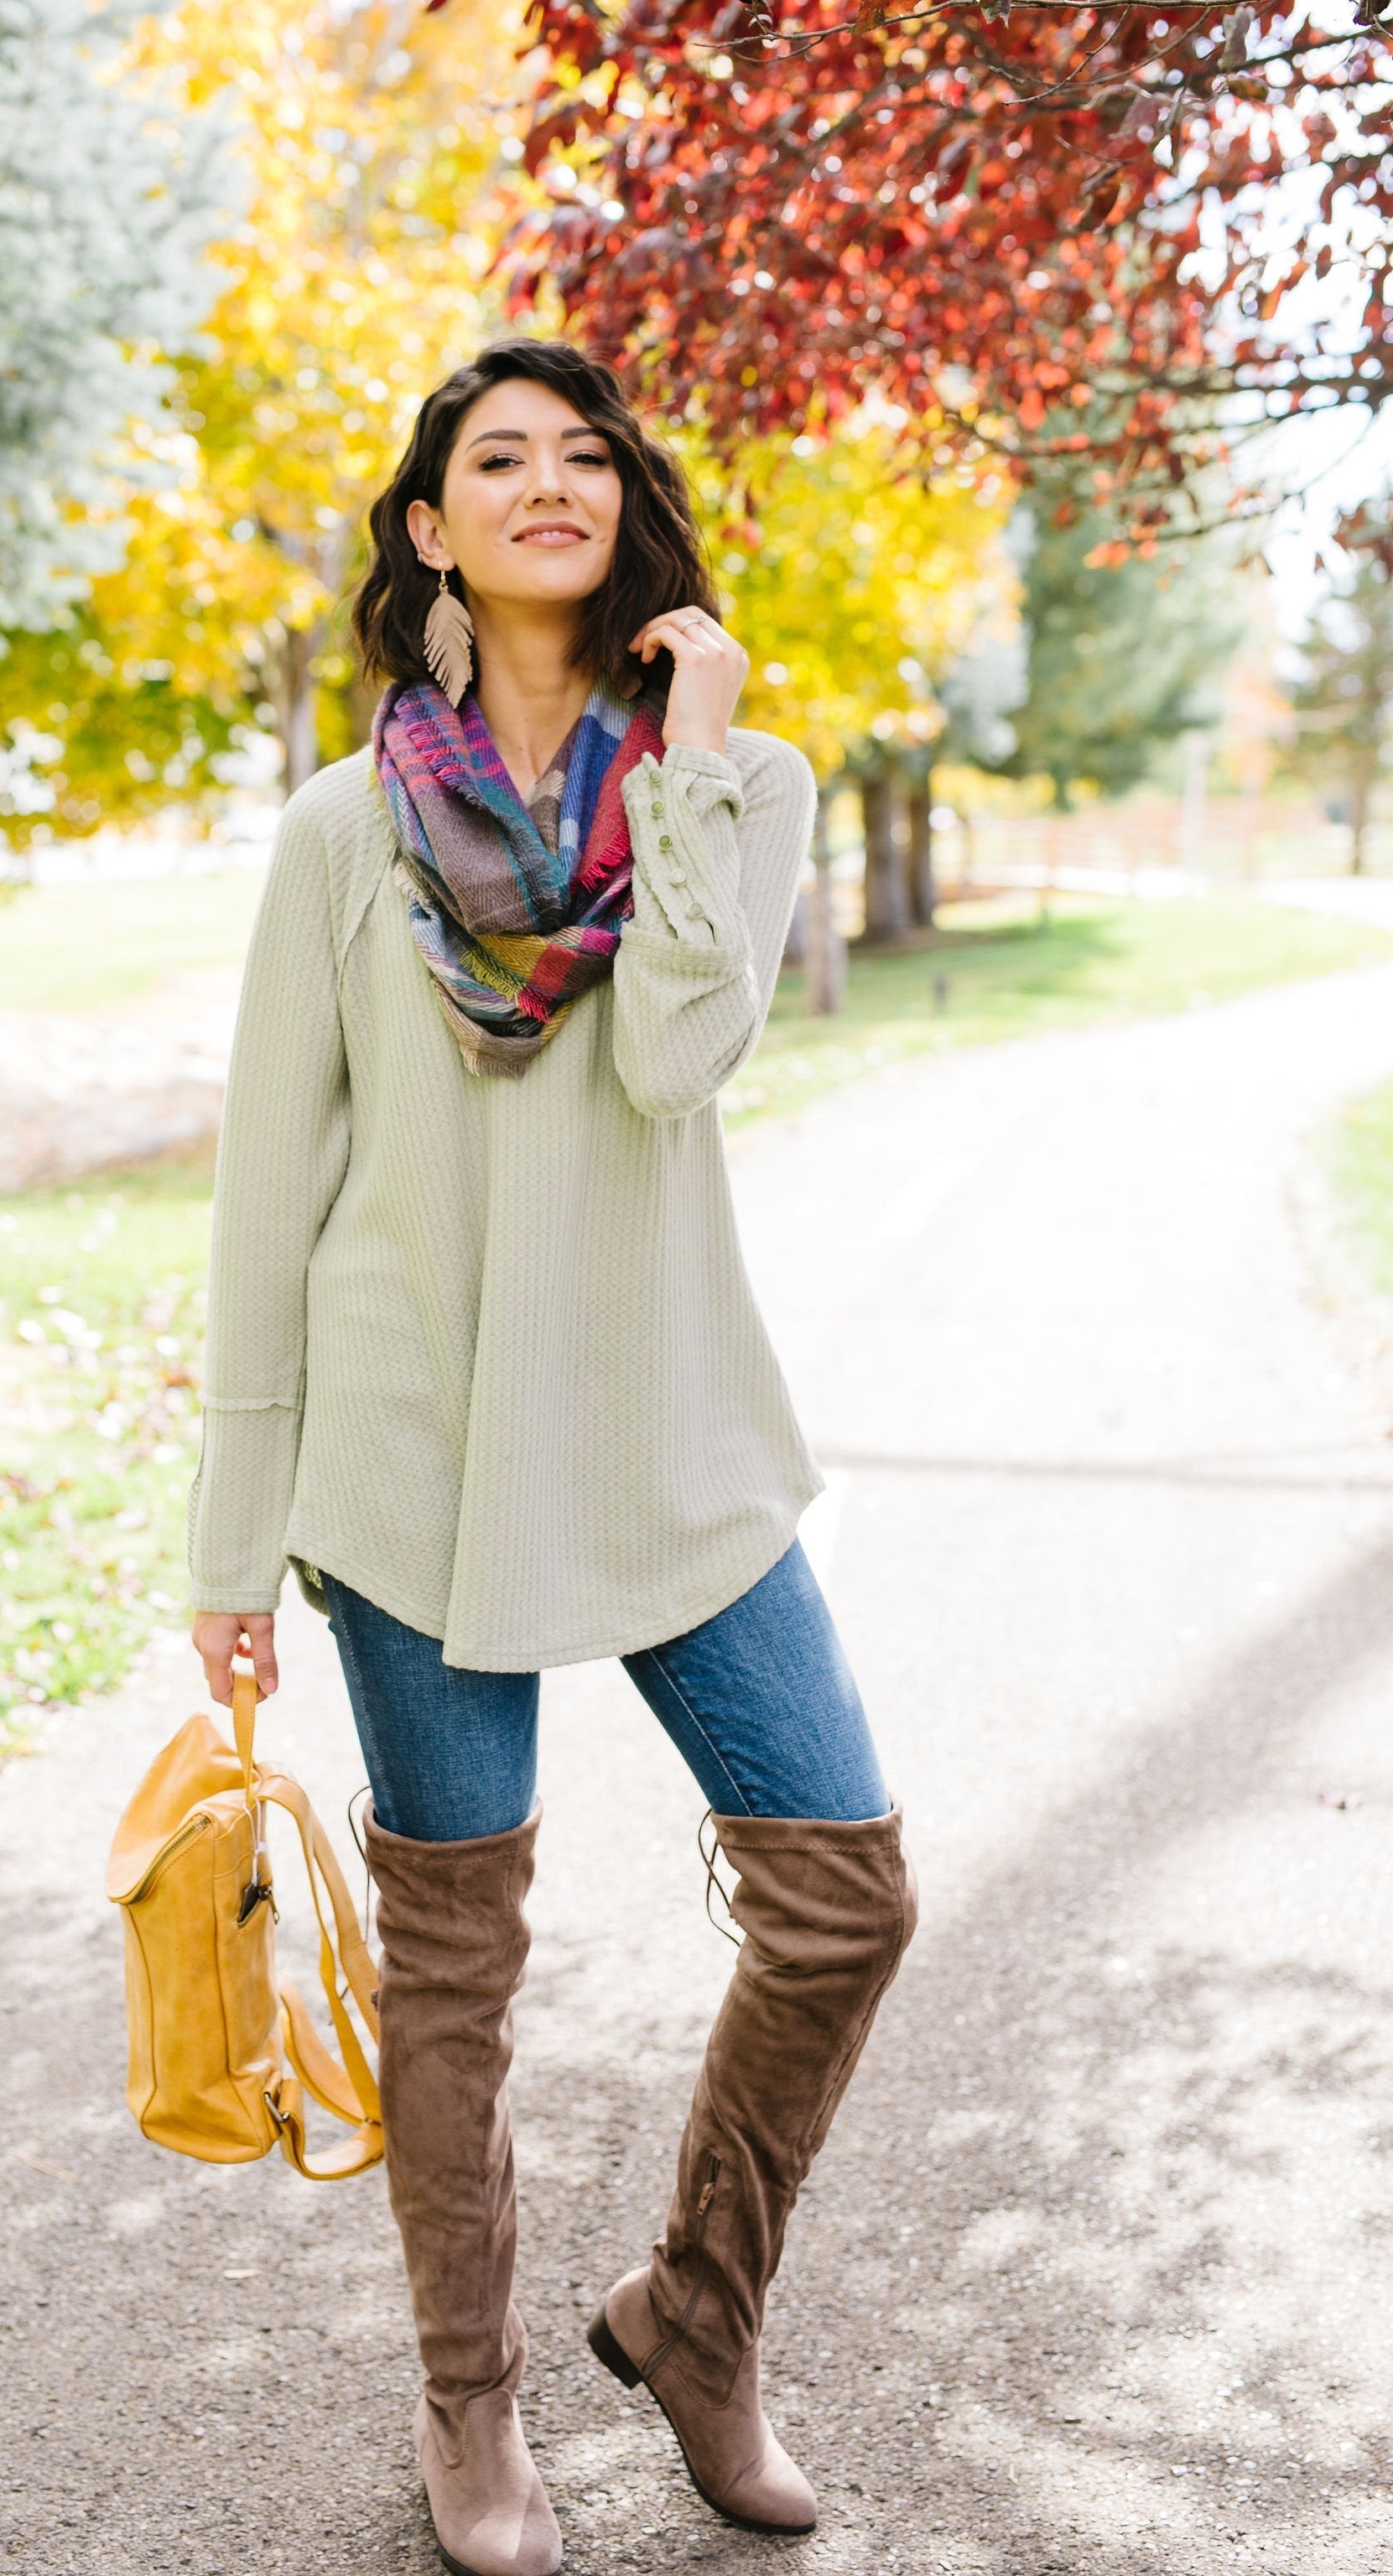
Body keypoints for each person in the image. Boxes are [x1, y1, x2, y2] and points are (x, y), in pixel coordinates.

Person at [189, 339, 916, 2576]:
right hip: (408, 1459)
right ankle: (472, 2408)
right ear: (427, 527)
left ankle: (698, 2319)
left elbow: (679, 1054)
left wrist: (696, 763)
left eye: (584, 459)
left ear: (626, 512)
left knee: (844, 1899)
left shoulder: (741, 779)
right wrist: (234, 1531)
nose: (545, 486)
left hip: (671, 1426)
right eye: (496, 459)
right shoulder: (338, 830)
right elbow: (264, 1183)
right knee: (456, 1970)